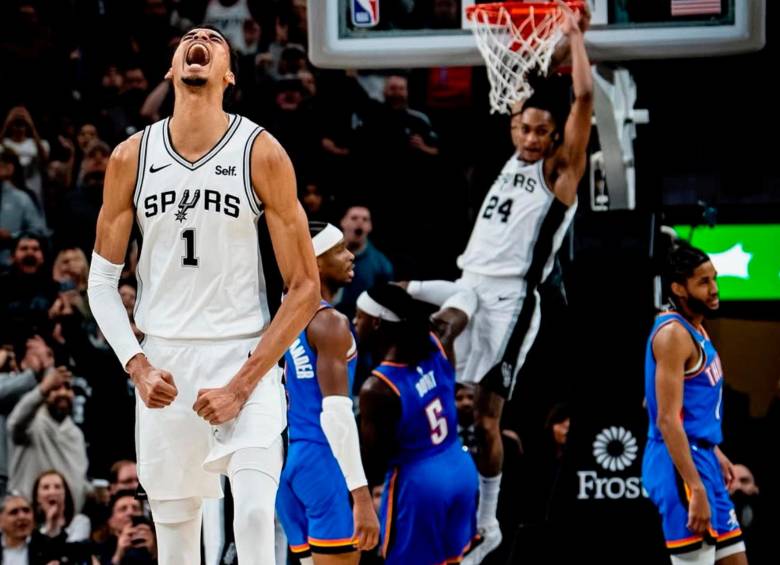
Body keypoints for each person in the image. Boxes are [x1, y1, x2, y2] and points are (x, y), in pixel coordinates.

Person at [87, 24, 320, 565]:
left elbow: (305, 287)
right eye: (190, 37)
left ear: (228, 74)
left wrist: (242, 385)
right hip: (165, 360)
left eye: (215, 39)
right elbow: (100, 282)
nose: (200, 41)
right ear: (172, 68)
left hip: (244, 354)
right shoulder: (129, 157)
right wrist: (138, 366)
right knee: (176, 539)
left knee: (258, 514)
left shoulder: (261, 151)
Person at [404, 5, 592, 561]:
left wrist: (576, 39)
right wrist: (535, 41)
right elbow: (524, 84)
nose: (532, 137)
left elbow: (581, 100)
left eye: (541, 131)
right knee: (390, 307)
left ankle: (488, 523)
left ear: (554, 134)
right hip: (467, 283)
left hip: (510, 301)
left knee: (486, 415)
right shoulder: (512, 154)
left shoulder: (560, 170)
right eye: (524, 128)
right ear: (514, 126)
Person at [276, 221, 379, 564]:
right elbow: (335, 414)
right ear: (315, 260)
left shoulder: (279, 310)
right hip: (322, 458)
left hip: (284, 460)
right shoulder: (329, 322)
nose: (350, 256)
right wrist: (362, 497)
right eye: (338, 250)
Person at [357, 284, 478, 565]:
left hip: (420, 485)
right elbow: (466, 295)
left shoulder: (378, 387)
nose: (354, 322)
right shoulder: (439, 340)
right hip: (459, 467)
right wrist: (413, 287)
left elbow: (374, 459)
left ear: (376, 323)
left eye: (358, 316)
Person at [642, 243, 747, 564]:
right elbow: (665, 418)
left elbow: (665, 403)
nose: (714, 289)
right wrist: (695, 487)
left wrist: (714, 450)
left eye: (714, 279)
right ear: (678, 287)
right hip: (680, 465)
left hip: (703, 457)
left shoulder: (697, 327)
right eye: (703, 282)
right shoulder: (673, 334)